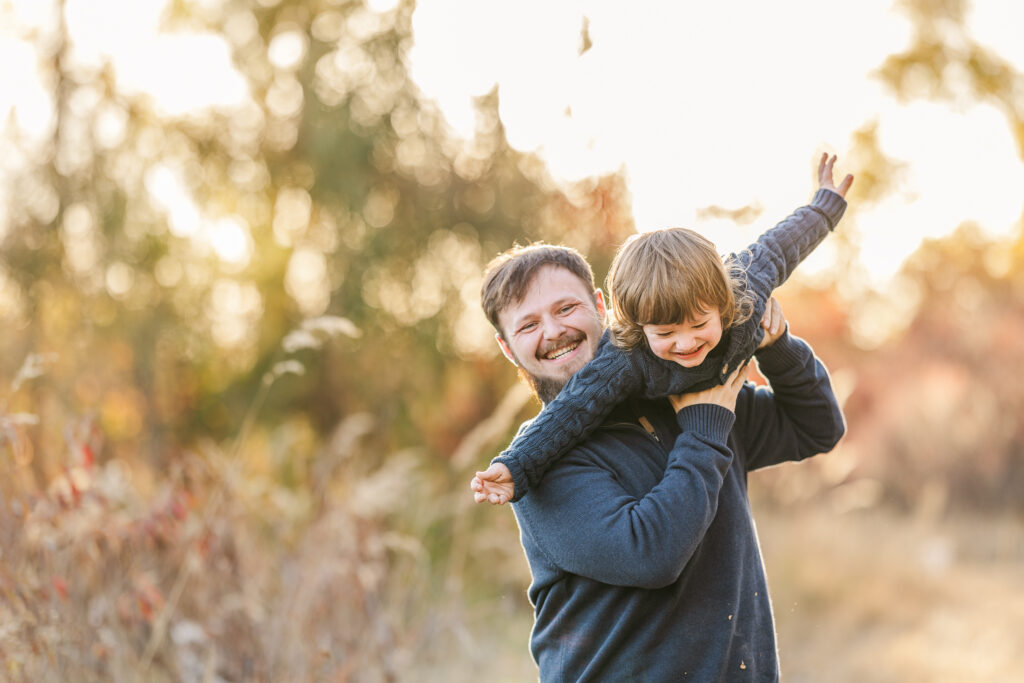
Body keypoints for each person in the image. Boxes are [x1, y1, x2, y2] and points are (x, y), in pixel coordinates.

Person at [470, 156, 852, 679]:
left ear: (603, 307)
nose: (553, 331)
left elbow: (817, 428)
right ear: (508, 347)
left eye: (565, 309)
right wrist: (703, 432)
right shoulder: (545, 461)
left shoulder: (694, 387)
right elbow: (649, 555)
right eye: (528, 323)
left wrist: (779, 348)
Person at [473, 154, 853, 505]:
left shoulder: (747, 290)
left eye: (700, 324)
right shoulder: (626, 360)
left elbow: (783, 245)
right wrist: (516, 467)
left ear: (722, 304)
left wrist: (824, 206)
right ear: (637, 326)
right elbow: (572, 409)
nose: (686, 343)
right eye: (666, 333)